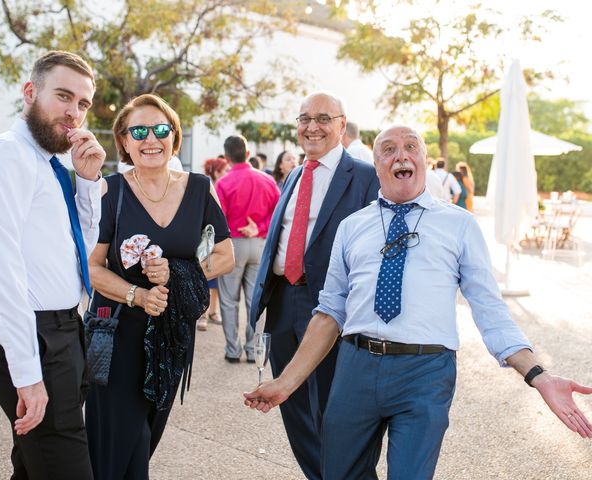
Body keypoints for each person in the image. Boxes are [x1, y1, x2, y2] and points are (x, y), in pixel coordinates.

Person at [245, 125, 592, 479]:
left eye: (411, 147)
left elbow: (490, 311)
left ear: (424, 161)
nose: (401, 155)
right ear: (376, 165)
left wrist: (538, 374)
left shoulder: (459, 225)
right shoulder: (351, 227)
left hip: (425, 372)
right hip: (355, 369)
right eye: (389, 150)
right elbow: (329, 313)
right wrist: (284, 384)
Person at [0, 50, 106, 479]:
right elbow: (0, 274)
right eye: (64, 96)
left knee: (31, 469)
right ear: (30, 92)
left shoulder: (51, 164)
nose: (74, 112)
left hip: (65, 332)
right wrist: (26, 373)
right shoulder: (4, 157)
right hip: (34, 339)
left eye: (82, 104)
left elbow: (79, 247)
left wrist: (87, 182)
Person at [85, 93, 234, 480]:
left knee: (147, 435)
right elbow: (91, 268)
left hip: (172, 336)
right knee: (120, 440)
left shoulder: (200, 189)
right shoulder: (111, 191)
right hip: (117, 332)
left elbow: (224, 255)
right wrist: (138, 294)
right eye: (138, 131)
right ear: (124, 141)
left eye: (161, 129)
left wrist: (178, 274)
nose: (151, 139)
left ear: (174, 136)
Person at [248, 91, 379, 479]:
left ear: (342, 124)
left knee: (334, 411)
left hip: (331, 306)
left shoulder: (366, 177)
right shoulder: (292, 175)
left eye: (323, 118)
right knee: (293, 406)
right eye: (304, 118)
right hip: (283, 301)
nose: (312, 126)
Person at [216, 135, 280, 363]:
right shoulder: (267, 180)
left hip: (233, 244)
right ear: (249, 153)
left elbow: (218, 218)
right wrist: (260, 227)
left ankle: (233, 350)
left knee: (228, 299)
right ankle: (253, 350)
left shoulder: (223, 183)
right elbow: (279, 213)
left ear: (226, 157)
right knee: (254, 300)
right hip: (259, 244)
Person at [197, 156, 231, 330]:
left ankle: (213, 311)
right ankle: (203, 313)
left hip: (220, 238)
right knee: (208, 275)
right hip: (207, 239)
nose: (228, 173)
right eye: (225, 170)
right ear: (217, 172)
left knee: (216, 280)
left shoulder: (222, 185)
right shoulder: (208, 187)